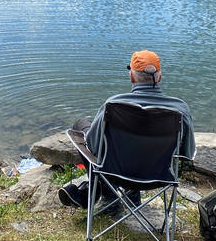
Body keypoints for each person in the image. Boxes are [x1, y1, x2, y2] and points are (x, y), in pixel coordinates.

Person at [59, 49, 195, 208]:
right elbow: (188, 153)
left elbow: (92, 146)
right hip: (158, 177)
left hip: (116, 174)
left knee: (81, 125)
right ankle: (131, 196)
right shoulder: (180, 110)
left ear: (131, 77)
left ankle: (108, 196)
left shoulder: (113, 105)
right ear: (159, 77)